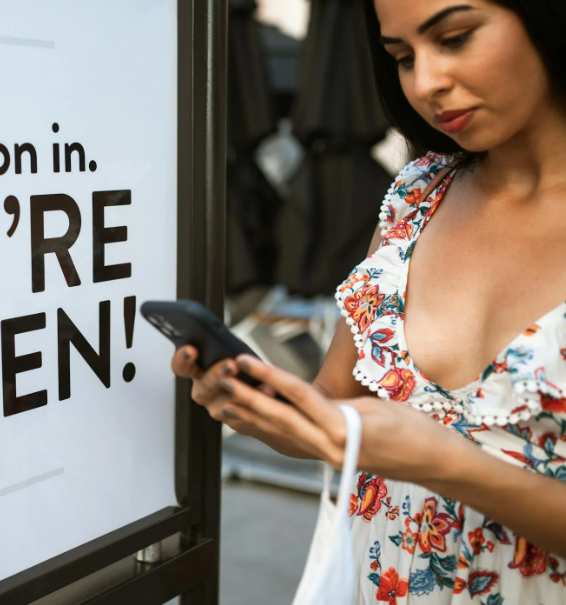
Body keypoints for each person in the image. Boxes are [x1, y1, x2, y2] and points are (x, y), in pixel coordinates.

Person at [172, 0, 566, 602]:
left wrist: (450, 466)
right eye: (402, 57)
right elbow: (335, 407)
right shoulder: (417, 196)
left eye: (455, 38)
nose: (427, 82)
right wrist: (258, 406)